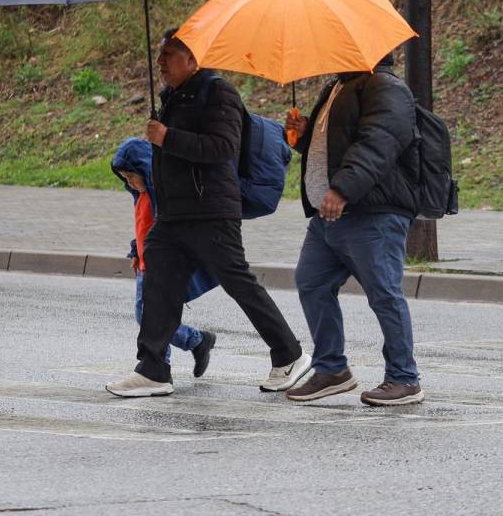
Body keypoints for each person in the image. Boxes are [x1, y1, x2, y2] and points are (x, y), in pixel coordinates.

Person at [106, 28, 311, 397]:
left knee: (238, 282)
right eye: (160, 54)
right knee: (158, 284)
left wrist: (167, 137)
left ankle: (289, 354)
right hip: (174, 215)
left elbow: (222, 148)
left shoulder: (218, 92)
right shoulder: (174, 96)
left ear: (192, 59)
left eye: (168, 54)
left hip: (210, 211)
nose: (160, 63)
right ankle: (153, 369)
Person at [282, 54, 423, 406]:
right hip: (328, 216)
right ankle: (332, 370)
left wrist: (343, 189)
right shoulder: (339, 86)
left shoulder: (385, 87)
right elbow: (336, 145)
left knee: (384, 293)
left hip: (370, 212)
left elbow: (377, 144)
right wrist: (303, 136)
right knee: (311, 282)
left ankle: (404, 378)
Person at [111, 137, 215, 378]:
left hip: (161, 265)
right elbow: (142, 228)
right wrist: (135, 251)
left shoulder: (160, 195)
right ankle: (194, 343)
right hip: (146, 264)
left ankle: (165, 362)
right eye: (125, 178)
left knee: (151, 316)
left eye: (132, 176)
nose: (130, 182)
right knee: (150, 316)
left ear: (145, 169)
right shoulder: (141, 195)